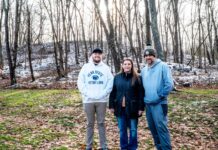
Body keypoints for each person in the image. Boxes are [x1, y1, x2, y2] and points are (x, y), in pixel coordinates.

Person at [77, 48, 113, 150]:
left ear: (102, 56)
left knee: (101, 123)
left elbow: (110, 82)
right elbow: (80, 82)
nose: (97, 55)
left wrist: (104, 93)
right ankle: (89, 146)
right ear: (92, 55)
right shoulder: (86, 67)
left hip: (102, 100)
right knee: (90, 124)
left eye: (99, 54)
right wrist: (87, 94)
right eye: (95, 53)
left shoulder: (106, 68)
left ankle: (104, 146)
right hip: (88, 100)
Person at [141, 48, 174, 150]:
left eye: (150, 55)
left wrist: (160, 95)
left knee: (161, 128)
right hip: (148, 104)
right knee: (153, 129)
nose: (148, 57)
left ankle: (166, 148)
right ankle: (159, 147)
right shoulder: (144, 70)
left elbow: (169, 84)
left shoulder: (163, 66)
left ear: (154, 56)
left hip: (159, 103)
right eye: (146, 56)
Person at [109, 58, 144, 150]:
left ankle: (133, 147)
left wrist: (141, 108)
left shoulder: (137, 78)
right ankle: (124, 147)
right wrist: (111, 105)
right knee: (122, 130)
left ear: (132, 66)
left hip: (133, 108)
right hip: (119, 108)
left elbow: (141, 94)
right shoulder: (117, 77)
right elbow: (113, 92)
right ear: (122, 65)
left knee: (133, 130)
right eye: (125, 64)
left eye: (129, 64)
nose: (127, 65)